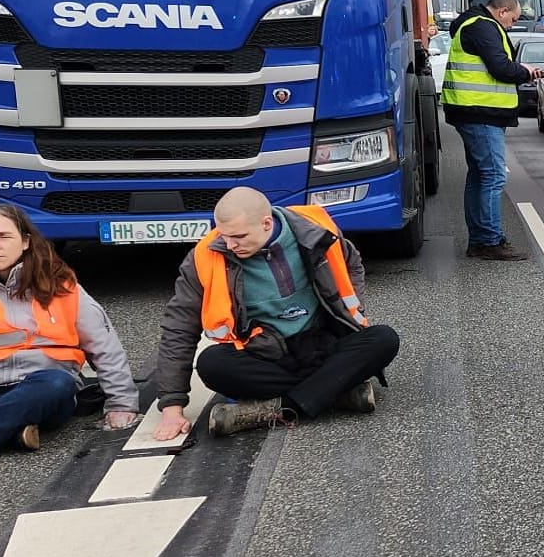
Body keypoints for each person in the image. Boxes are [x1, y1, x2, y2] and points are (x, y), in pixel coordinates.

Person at [151, 188, 401, 441]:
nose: (229, 245)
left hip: (322, 344)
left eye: (238, 236)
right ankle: (334, 393)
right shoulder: (204, 257)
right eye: (223, 236)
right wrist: (172, 407)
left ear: (266, 223)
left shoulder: (315, 229)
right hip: (265, 356)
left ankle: (279, 408)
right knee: (212, 364)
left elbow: (352, 263)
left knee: (383, 339)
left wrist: (345, 308)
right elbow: (179, 327)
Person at [0, 204, 139, 460]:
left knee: (56, 383)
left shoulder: (60, 283)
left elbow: (104, 346)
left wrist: (120, 404)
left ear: (26, 242)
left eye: (3, 236)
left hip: (40, 390)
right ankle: (12, 432)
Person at [443, 0, 532, 261]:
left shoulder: (472, 24)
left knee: (479, 175)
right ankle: (489, 241)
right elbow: (501, 68)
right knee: (493, 175)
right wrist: (526, 71)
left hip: (471, 109)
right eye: (513, 19)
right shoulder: (484, 27)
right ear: (502, 11)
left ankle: (480, 239)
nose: (512, 25)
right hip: (480, 111)